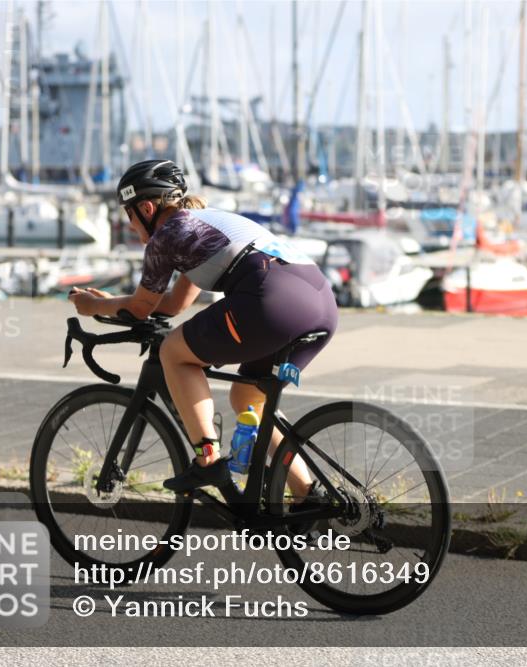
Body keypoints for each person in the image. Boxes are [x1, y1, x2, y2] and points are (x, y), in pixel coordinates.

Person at [68, 159, 337, 500]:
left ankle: (207, 459)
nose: (130, 224)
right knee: (247, 398)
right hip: (321, 304)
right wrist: (113, 302)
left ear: (147, 208)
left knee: (174, 353)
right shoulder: (204, 223)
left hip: (270, 304)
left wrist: (94, 307)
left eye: (129, 214)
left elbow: (140, 308)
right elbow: (175, 303)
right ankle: (308, 494)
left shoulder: (165, 237)